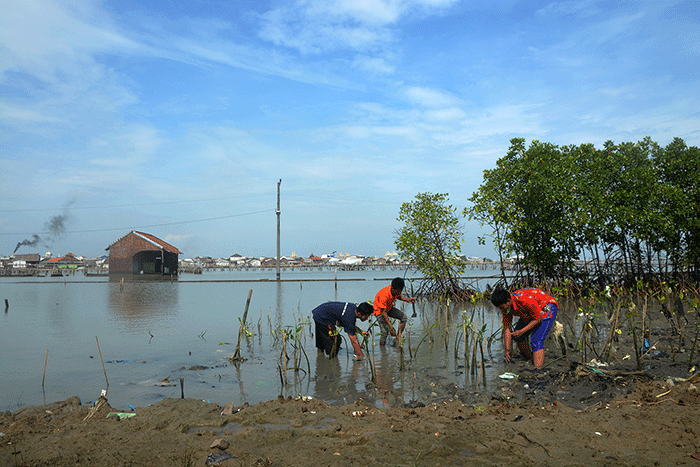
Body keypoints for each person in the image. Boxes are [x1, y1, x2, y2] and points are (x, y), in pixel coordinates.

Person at [490, 287, 558, 368]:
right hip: (530, 311)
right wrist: (507, 351)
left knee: (536, 340)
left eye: (501, 308)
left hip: (546, 306)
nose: (501, 310)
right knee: (519, 337)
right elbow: (507, 328)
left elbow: (538, 319)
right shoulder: (506, 308)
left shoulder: (524, 300)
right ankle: (530, 359)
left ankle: (538, 370)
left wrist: (522, 331)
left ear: (508, 301)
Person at [373, 277, 416, 346]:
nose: (399, 293)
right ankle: (382, 351)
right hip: (379, 311)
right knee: (385, 332)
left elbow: (398, 296)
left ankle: (397, 338)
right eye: (398, 291)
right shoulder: (384, 294)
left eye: (400, 291)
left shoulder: (396, 290)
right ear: (393, 288)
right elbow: (383, 312)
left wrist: (408, 300)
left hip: (389, 308)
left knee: (403, 317)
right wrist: (390, 327)